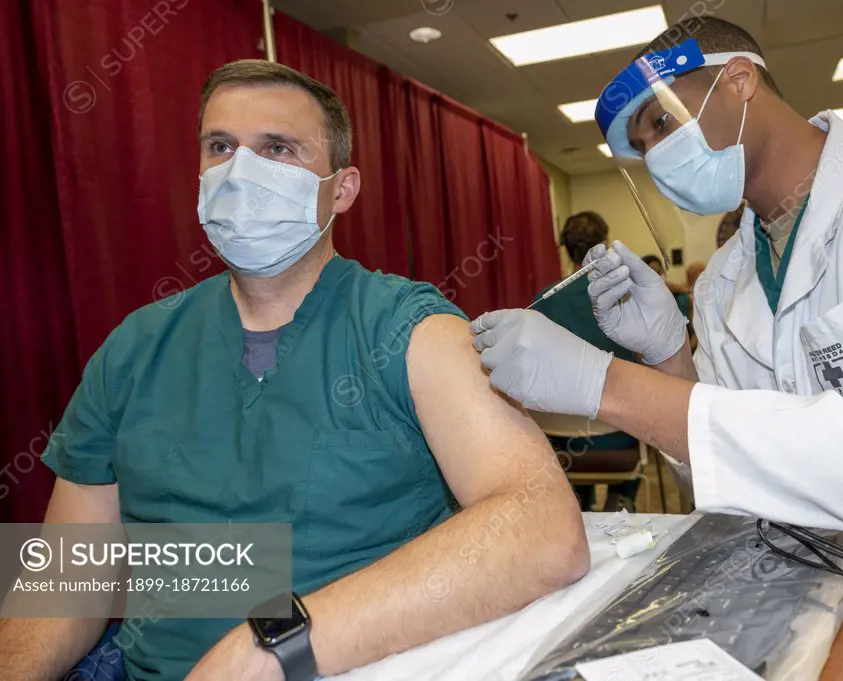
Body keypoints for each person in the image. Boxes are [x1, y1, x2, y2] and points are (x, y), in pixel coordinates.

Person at [0, 60, 588, 681]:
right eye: (220, 147)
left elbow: (542, 529)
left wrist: (274, 645)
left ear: (342, 190)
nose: (240, 173)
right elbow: (67, 580)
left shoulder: (411, 333)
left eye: (277, 149)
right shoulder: (135, 349)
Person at [469, 17, 843, 548]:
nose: (657, 158)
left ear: (739, 80)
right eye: (641, 149)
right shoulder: (720, 284)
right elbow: (721, 486)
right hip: (828, 575)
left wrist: (606, 385)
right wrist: (670, 358)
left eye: (661, 123)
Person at [533, 212, 643, 512]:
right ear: (605, 246)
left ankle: (580, 501)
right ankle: (622, 497)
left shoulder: (542, 301)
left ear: (567, 249)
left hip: (558, 443)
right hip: (617, 438)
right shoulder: (624, 297)